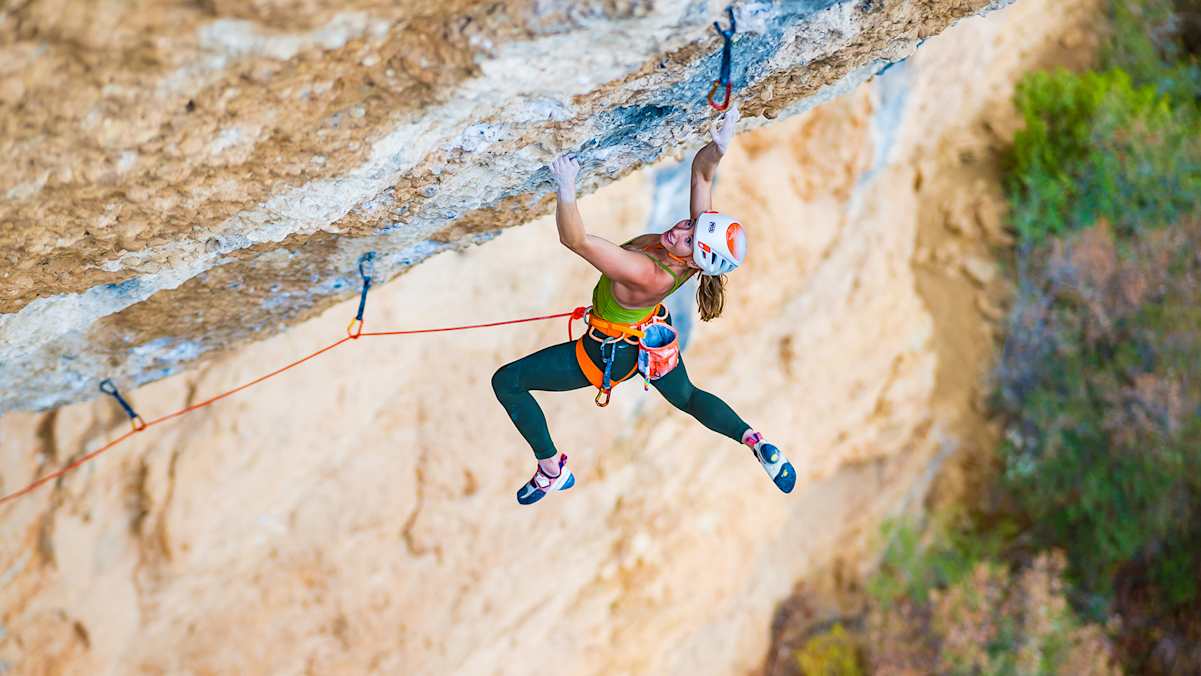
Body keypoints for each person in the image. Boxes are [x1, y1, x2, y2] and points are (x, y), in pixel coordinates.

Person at [492, 102, 795, 505]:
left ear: (693, 260)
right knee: (685, 396)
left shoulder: (646, 273)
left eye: (689, 239)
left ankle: (552, 468)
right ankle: (754, 440)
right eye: (691, 224)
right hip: (650, 336)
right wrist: (719, 147)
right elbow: (702, 173)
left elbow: (576, 240)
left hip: (606, 354)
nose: (680, 230)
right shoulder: (693, 251)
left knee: (508, 382)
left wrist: (566, 188)